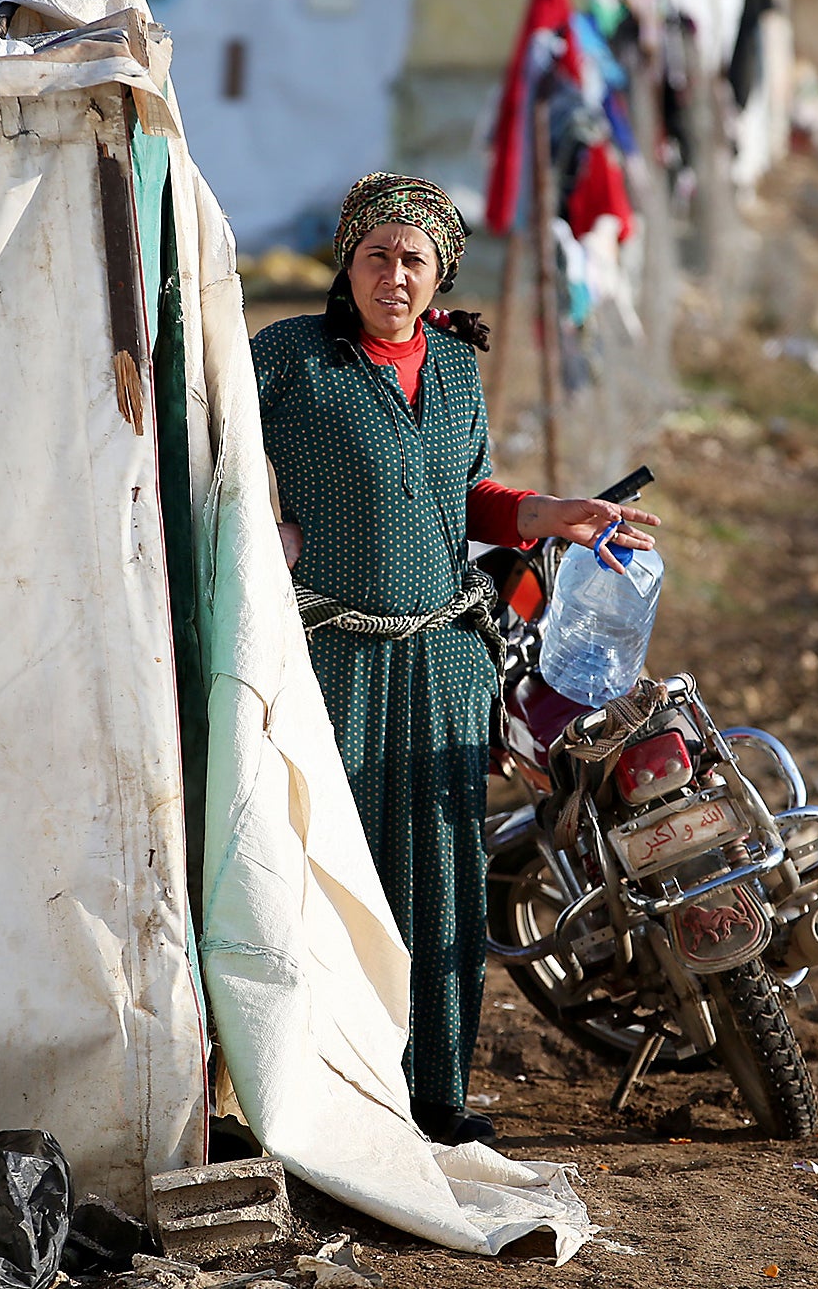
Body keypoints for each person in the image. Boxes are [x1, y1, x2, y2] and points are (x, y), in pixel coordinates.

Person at [251, 172, 658, 1145]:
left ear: (439, 277)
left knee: (441, 876)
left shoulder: (455, 370)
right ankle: (325, 1086)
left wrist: (551, 513)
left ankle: (434, 1094)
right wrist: (266, 532)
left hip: (441, 662)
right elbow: (205, 457)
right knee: (326, 869)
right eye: (376, 255)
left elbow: (468, 494)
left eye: (413, 260)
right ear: (344, 263)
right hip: (332, 659)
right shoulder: (287, 361)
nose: (393, 276)